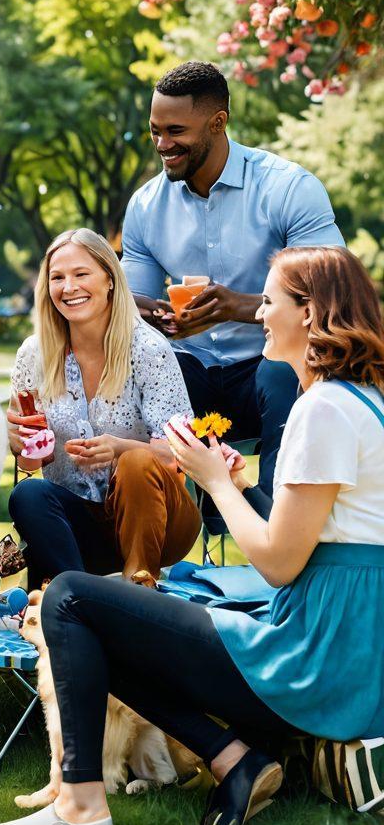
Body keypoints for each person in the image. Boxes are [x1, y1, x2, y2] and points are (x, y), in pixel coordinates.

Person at [0, 245, 384, 825]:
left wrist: (215, 482)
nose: (257, 315)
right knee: (96, 618)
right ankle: (233, 760)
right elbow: (317, 536)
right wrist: (244, 483)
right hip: (344, 649)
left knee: (69, 599)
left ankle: (82, 805)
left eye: (269, 301)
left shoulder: (323, 408)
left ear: (309, 315)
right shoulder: (359, 401)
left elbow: (278, 563)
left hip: (315, 660)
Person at [121, 60, 344, 528]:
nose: (163, 145)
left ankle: (280, 524)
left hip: (268, 369)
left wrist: (238, 307)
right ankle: (159, 543)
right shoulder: (144, 207)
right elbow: (129, 302)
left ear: (218, 122)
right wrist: (156, 314)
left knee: (283, 374)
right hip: (191, 374)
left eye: (176, 131)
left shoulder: (288, 188)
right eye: (155, 131)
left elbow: (332, 292)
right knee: (147, 374)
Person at [8, 229, 200, 589]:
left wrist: (120, 447)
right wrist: (22, 444)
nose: (69, 287)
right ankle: (79, 596)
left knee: (136, 461)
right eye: (57, 278)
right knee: (27, 493)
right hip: (80, 521)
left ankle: (137, 588)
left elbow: (182, 456)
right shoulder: (32, 356)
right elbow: (31, 464)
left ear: (109, 280)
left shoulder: (147, 349)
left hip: (160, 521)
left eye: (81, 274)